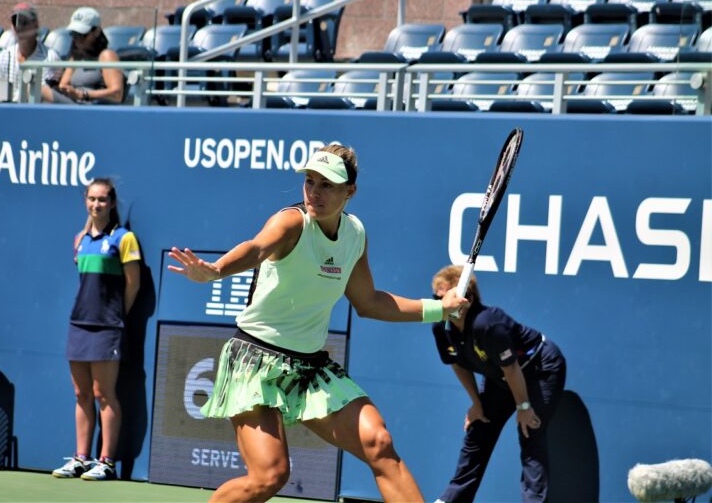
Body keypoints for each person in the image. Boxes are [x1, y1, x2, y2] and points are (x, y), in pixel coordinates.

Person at [168, 145, 469, 503]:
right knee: (270, 476)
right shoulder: (291, 222)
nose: (315, 192)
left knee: (379, 443)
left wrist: (440, 308)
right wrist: (216, 271)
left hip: (310, 368)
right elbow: (256, 248)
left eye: (327, 185)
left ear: (350, 192)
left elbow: (369, 302)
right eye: (310, 181)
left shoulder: (354, 234)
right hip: (254, 361)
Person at [429, 265, 567, 503]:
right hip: (500, 376)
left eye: (444, 298)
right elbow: (457, 364)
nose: (439, 304)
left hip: (539, 369)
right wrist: (476, 403)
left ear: (466, 300)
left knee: (529, 430)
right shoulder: (441, 327)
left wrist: (523, 407)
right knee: (478, 429)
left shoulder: (488, 323)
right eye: (436, 298)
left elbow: (512, 367)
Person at [52, 178, 141, 481]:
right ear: (85, 201)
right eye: (91, 199)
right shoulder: (79, 239)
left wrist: (117, 316)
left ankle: (106, 461)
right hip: (79, 324)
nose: (96, 204)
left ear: (112, 203)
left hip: (108, 328)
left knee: (104, 394)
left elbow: (133, 284)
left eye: (102, 199)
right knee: (81, 393)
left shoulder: (124, 239)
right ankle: (80, 458)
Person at [51, 7, 124, 104]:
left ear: (96, 32)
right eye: (74, 34)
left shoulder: (106, 56)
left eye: (82, 34)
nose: (77, 39)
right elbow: (63, 86)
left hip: (94, 109)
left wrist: (83, 95)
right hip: (74, 106)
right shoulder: (75, 58)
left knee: (42, 92)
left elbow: (117, 94)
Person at [0, 3, 61, 102]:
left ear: (35, 25)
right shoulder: (2, 57)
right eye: (15, 22)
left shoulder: (51, 57)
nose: (19, 27)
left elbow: (45, 97)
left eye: (24, 22)